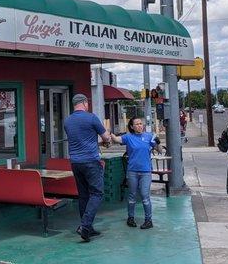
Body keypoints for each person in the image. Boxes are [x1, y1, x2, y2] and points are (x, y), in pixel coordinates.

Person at [64, 93, 111, 242]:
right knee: (97, 193)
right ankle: (85, 225)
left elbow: (81, 140)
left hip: (75, 163)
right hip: (91, 161)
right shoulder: (91, 118)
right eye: (87, 103)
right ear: (84, 103)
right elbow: (106, 138)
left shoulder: (67, 121)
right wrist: (107, 138)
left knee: (83, 195)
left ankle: (88, 228)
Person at [111, 117, 161, 229]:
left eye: (141, 123)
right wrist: (109, 133)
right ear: (132, 127)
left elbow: (160, 150)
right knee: (132, 196)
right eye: (137, 124)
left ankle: (148, 220)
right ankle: (130, 218)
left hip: (146, 172)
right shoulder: (128, 137)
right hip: (132, 171)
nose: (140, 125)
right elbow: (116, 139)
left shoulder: (149, 136)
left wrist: (158, 143)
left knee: (145, 196)